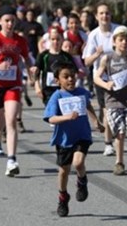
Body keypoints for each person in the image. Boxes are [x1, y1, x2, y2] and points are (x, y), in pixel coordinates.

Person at [0, 5, 33, 177]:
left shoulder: (20, 40)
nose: (10, 24)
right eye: (7, 20)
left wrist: (32, 71)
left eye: (12, 21)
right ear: (0, 21)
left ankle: (12, 160)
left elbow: (26, 59)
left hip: (12, 85)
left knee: (11, 121)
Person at [43, 62, 104, 217]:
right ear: (57, 80)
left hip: (82, 135)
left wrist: (96, 121)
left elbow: (88, 105)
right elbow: (50, 118)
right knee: (63, 171)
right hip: (64, 139)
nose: (70, 79)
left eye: (73, 76)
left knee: (78, 162)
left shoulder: (82, 92)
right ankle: (63, 196)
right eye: (66, 77)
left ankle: (81, 181)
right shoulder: (57, 96)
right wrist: (66, 117)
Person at [82, 4, 127, 157]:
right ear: (97, 16)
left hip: (122, 78)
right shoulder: (94, 35)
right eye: (101, 13)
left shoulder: (119, 30)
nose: (104, 16)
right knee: (107, 111)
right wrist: (97, 54)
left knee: (117, 111)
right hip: (102, 78)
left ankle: (116, 136)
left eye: (107, 13)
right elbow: (86, 62)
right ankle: (108, 144)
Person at [92, 25, 127, 175]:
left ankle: (119, 155)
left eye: (126, 39)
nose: (124, 42)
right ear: (114, 41)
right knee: (120, 133)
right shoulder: (107, 58)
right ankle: (119, 162)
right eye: (121, 39)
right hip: (113, 101)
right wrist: (105, 84)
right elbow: (96, 77)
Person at [34, 28, 75, 105]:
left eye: (58, 39)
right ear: (49, 40)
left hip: (64, 90)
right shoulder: (43, 55)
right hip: (48, 91)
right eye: (53, 39)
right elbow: (37, 71)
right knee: (52, 113)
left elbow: (73, 72)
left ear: (62, 40)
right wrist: (37, 87)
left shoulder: (66, 56)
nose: (55, 42)